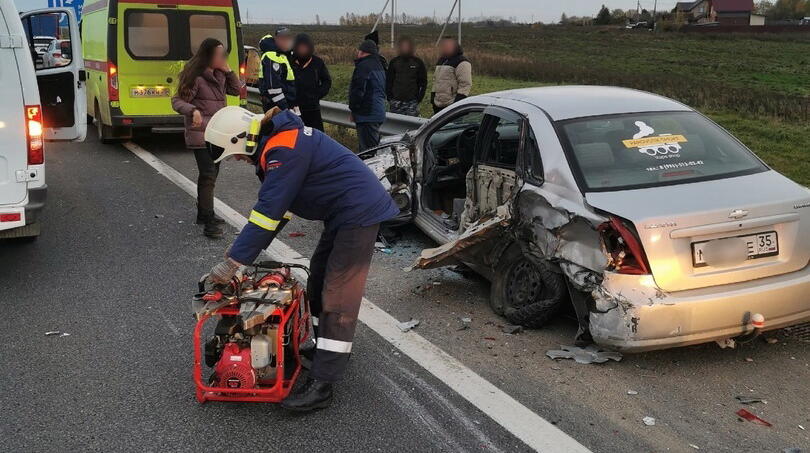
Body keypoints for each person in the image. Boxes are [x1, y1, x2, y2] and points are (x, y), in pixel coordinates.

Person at [203, 106, 399, 412]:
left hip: (358, 212)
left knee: (338, 295)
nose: (238, 161)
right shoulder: (278, 143)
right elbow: (278, 210)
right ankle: (326, 350)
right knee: (318, 278)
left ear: (242, 139)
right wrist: (239, 257)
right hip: (342, 212)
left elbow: (267, 214)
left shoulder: (284, 149)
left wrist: (233, 263)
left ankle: (324, 383)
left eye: (234, 154)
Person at [171, 38, 241, 238]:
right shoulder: (196, 76)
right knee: (208, 174)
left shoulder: (219, 74)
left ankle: (203, 212)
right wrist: (193, 110)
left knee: (212, 174)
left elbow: (236, 90)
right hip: (200, 133)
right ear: (209, 55)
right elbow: (176, 101)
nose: (222, 58)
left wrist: (228, 71)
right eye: (219, 55)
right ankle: (209, 221)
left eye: (223, 54)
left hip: (217, 134)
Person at [349, 39, 386, 152]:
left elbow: (358, 91)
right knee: (373, 147)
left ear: (363, 52)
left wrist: (353, 110)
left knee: (368, 152)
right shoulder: (380, 65)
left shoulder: (363, 66)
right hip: (378, 111)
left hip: (366, 114)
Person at [291, 33, 331, 131]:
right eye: (300, 47)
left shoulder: (317, 63)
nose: (302, 50)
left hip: (313, 110)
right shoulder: (289, 62)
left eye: (305, 47)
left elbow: (327, 81)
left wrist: (317, 94)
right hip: (294, 109)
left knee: (317, 137)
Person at [386, 36, 427, 117]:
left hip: (411, 103)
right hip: (396, 102)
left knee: (411, 127)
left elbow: (423, 82)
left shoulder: (418, 63)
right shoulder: (394, 62)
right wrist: (390, 98)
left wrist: (418, 98)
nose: (405, 48)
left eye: (407, 46)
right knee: (395, 126)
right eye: (403, 46)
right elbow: (388, 81)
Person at [431, 36, 472, 114]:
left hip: (452, 106)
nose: (444, 48)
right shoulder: (441, 61)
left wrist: (456, 104)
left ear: (456, 47)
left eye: (447, 46)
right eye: (443, 46)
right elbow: (435, 81)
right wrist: (432, 98)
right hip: (437, 104)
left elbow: (465, 85)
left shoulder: (462, 62)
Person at [258, 28, 296, 112]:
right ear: (277, 40)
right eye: (283, 39)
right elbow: (273, 88)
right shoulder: (272, 56)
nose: (286, 42)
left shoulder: (283, 55)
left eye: (288, 39)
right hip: (276, 106)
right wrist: (285, 108)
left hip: (284, 104)